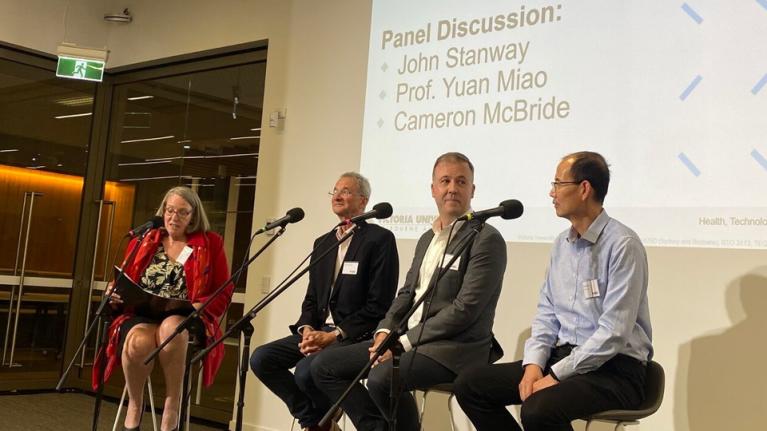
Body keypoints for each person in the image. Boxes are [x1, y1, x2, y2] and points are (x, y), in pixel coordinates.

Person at [454, 151, 653, 431]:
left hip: (615, 368)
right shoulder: (562, 244)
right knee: (470, 386)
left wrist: (556, 376)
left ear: (584, 189)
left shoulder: (623, 245)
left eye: (558, 184)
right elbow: (547, 314)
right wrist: (535, 364)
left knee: (538, 410)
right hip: (564, 358)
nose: (551, 193)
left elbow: (614, 333)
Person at [311, 152, 507, 431]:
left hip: (454, 348)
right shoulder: (427, 238)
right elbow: (406, 294)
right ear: (433, 189)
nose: (452, 188)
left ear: (472, 190)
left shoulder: (486, 239)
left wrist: (400, 343)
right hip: (407, 340)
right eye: (445, 181)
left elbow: (465, 310)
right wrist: (383, 331)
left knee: (382, 378)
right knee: (324, 366)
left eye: (461, 182)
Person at [249, 172, 399, 431]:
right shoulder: (324, 243)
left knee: (307, 371)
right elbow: (311, 299)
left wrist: (333, 336)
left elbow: (379, 305)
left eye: (346, 191)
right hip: (319, 331)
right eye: (335, 191)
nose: (338, 195)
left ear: (363, 201)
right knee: (262, 359)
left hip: (355, 334)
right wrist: (307, 330)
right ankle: (317, 421)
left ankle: (323, 420)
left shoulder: (379, 240)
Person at [96, 186, 234, 431]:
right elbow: (127, 278)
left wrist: (203, 305)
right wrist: (114, 291)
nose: (174, 217)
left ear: (193, 215)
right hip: (143, 311)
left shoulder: (209, 243)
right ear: (163, 211)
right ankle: (135, 405)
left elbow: (224, 289)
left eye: (182, 212)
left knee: (172, 329)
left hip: (184, 313)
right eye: (170, 210)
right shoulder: (145, 239)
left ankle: (172, 405)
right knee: (137, 341)